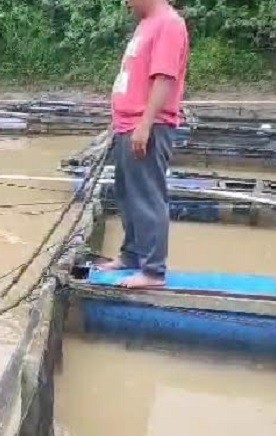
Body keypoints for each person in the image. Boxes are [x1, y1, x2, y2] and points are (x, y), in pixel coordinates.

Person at [99, 0, 189, 289]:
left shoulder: (168, 24)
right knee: (127, 195)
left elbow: (164, 78)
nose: (125, 2)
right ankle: (132, 255)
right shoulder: (146, 24)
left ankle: (153, 271)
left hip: (147, 126)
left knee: (147, 197)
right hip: (128, 125)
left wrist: (146, 124)